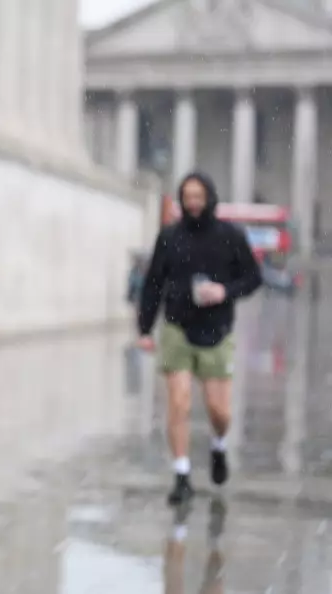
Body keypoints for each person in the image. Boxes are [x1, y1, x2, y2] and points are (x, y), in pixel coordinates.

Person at [136, 172, 261, 506]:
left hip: (217, 330)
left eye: (198, 196)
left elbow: (253, 277)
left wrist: (225, 291)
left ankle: (219, 447)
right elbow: (153, 284)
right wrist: (145, 329)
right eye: (187, 196)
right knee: (178, 404)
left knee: (220, 411)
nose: (192, 203)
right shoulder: (169, 237)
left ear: (209, 198)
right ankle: (181, 475)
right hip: (177, 327)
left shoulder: (230, 236)